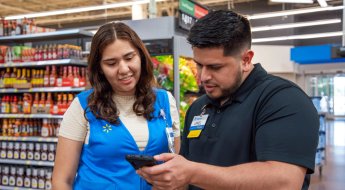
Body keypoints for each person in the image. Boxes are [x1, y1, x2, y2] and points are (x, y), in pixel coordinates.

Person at [138, 10, 319, 190]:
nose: (203, 77)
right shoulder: (199, 107)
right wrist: (169, 179)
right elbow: (188, 177)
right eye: (199, 65)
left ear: (246, 60)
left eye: (215, 67)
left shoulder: (283, 99)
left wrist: (192, 173)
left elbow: (284, 182)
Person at [52, 22, 180, 190]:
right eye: (111, 63)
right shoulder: (83, 106)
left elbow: (177, 168)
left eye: (129, 58)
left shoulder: (165, 101)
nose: (123, 69)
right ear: (100, 69)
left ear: (141, 56)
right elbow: (61, 180)